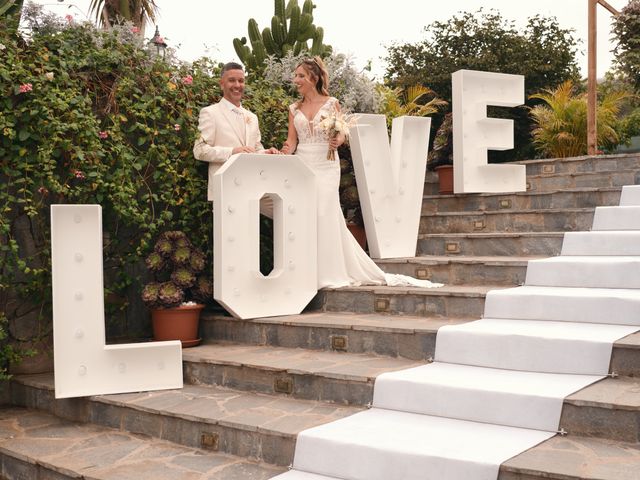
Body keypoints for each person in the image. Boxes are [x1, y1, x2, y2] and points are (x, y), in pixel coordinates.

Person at [281, 57, 443, 289]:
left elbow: (342, 133)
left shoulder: (331, 103)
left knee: (324, 211)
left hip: (326, 164)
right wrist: (282, 153)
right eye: (295, 76)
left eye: (300, 76)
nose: (295, 80)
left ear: (313, 78)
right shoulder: (293, 108)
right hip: (302, 164)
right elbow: (291, 141)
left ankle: (327, 272)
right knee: (306, 214)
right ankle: (307, 268)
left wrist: (338, 138)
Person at [193, 62, 279, 202]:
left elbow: (255, 149)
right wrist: (232, 152)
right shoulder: (210, 113)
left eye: (241, 81)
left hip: (254, 188)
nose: (237, 85)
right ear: (222, 84)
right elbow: (200, 150)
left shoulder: (252, 117)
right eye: (232, 80)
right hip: (226, 188)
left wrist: (266, 152)